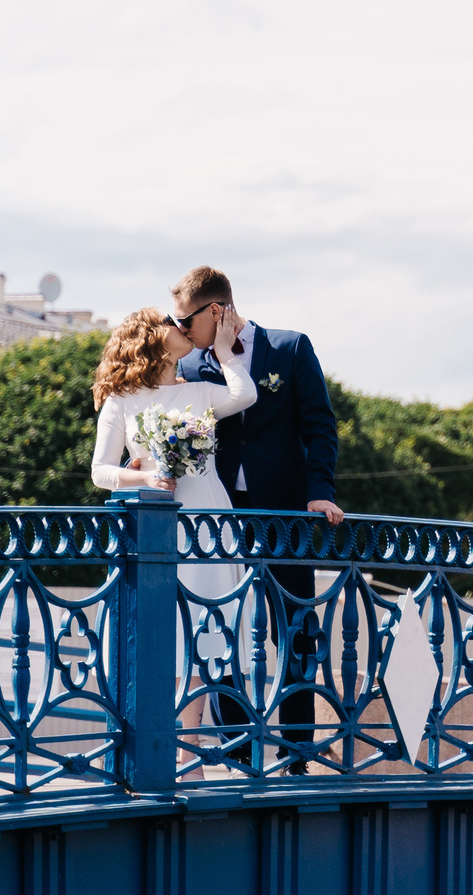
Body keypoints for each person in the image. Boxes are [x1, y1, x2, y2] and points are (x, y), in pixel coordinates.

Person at [170, 266, 342, 770]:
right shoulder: (192, 366)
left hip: (285, 514)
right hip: (219, 515)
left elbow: (319, 425)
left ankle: (297, 750)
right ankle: (236, 748)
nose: (181, 330)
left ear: (215, 311)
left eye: (186, 321)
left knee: (294, 627)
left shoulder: (290, 348)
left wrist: (320, 493)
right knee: (221, 623)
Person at [90, 305, 257, 755]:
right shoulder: (121, 401)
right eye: (170, 321)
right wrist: (145, 477)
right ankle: (151, 744)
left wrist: (225, 351)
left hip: (208, 520)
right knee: (162, 631)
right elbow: (101, 471)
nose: (181, 326)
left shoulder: (199, 392)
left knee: (203, 630)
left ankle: (189, 748)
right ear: (149, 338)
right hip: (157, 525)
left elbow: (245, 394)